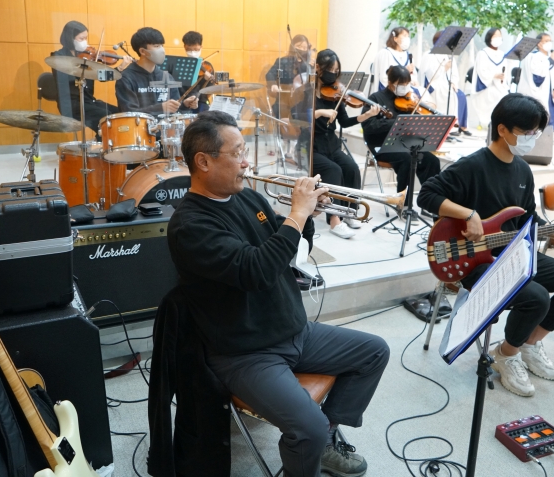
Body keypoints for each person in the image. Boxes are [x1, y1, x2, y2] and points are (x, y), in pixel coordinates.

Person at [167, 111, 389, 477]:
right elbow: (255, 270)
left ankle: (325, 440)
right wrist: (296, 215)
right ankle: (313, 443)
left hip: (293, 331)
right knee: (308, 427)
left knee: (374, 351)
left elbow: (285, 251)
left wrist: (309, 216)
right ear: (203, 162)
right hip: (245, 351)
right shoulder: (190, 226)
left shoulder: (248, 198)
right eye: (237, 153)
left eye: (244, 151)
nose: (246, 162)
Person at [417, 94, 554, 397]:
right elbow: (426, 195)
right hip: (475, 261)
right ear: (502, 129)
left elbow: (529, 220)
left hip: (513, 253)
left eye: (536, 132)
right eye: (527, 132)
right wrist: (468, 214)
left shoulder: (523, 170)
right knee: (536, 297)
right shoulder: (472, 166)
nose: (532, 138)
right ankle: (505, 355)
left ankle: (528, 344)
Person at [306, 49, 382, 239]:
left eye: (336, 71)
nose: (333, 74)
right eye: (330, 69)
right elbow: (296, 118)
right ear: (318, 68)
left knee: (352, 168)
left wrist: (367, 115)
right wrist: (319, 113)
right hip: (311, 147)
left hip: (331, 145)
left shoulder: (335, 94)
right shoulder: (306, 92)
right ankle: (335, 220)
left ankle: (349, 212)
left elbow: (345, 122)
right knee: (334, 170)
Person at [363, 65, 441, 196]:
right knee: (407, 159)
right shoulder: (375, 98)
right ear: (390, 83)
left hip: (405, 143)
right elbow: (368, 126)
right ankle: (402, 201)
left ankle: (431, 198)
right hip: (382, 145)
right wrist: (396, 122)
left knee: (432, 161)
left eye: (407, 84)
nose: (405, 88)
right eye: (401, 84)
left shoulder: (409, 99)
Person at [50, 20, 129, 131]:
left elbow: (100, 76)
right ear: (70, 39)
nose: (85, 42)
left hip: (88, 101)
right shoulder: (58, 57)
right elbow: (68, 79)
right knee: (105, 116)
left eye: (86, 38)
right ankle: (103, 140)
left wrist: (120, 68)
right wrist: (86, 66)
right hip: (72, 104)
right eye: (81, 39)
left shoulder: (87, 55)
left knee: (119, 114)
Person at [115, 27, 181, 117]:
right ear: (142, 51)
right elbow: (129, 113)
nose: (162, 50)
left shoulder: (166, 76)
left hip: (166, 125)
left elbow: (176, 108)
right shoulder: (126, 78)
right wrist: (160, 108)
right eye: (157, 46)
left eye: (162, 46)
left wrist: (185, 105)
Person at [423, 29, 471, 136]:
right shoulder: (429, 54)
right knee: (445, 93)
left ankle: (454, 126)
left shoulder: (448, 55)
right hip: (435, 84)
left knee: (459, 94)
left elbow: (454, 74)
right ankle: (441, 127)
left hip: (447, 84)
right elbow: (429, 74)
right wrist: (444, 68)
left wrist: (453, 82)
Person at [517, 33, 554, 130]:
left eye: (550, 41)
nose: (549, 43)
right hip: (535, 90)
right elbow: (538, 74)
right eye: (546, 41)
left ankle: (552, 126)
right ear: (538, 43)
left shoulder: (551, 58)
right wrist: (551, 59)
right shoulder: (533, 56)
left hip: (548, 90)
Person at [471, 28, 510, 129]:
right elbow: (481, 71)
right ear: (489, 38)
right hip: (486, 85)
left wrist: (502, 79)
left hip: (499, 85)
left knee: (505, 97)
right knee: (494, 95)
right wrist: (494, 75)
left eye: (499, 36)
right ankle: (487, 124)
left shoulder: (502, 54)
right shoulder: (483, 53)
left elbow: (505, 72)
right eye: (495, 36)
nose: (498, 38)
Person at [175, 30, 211, 114]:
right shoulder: (180, 65)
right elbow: (178, 89)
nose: (192, 53)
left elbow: (210, 90)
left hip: (201, 102)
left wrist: (207, 80)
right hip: (183, 102)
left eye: (196, 49)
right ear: (184, 47)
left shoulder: (207, 66)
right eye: (189, 50)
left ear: (201, 47)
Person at [374, 27, 419, 92]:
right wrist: (405, 70)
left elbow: (413, 74)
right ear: (395, 38)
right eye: (404, 36)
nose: (407, 39)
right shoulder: (386, 53)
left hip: (407, 91)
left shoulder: (408, 55)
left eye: (408, 36)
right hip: (391, 91)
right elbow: (384, 78)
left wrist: (414, 81)